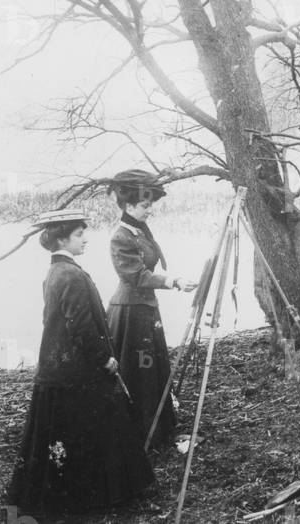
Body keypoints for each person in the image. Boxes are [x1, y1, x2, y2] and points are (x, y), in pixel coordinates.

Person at [8, 209, 155, 515]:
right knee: (97, 424)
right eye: (79, 234)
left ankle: (75, 493)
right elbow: (81, 326)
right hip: (77, 370)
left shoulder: (56, 271)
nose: (85, 239)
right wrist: (105, 358)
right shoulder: (70, 274)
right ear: (62, 239)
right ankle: (99, 494)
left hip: (59, 367)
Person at [106, 169, 196, 450]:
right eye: (145, 205)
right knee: (141, 368)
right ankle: (142, 432)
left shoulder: (138, 230)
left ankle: (158, 429)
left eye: (150, 204)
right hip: (131, 314)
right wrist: (174, 281)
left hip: (145, 309)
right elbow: (136, 276)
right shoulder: (121, 237)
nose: (150, 210)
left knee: (151, 367)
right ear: (128, 205)